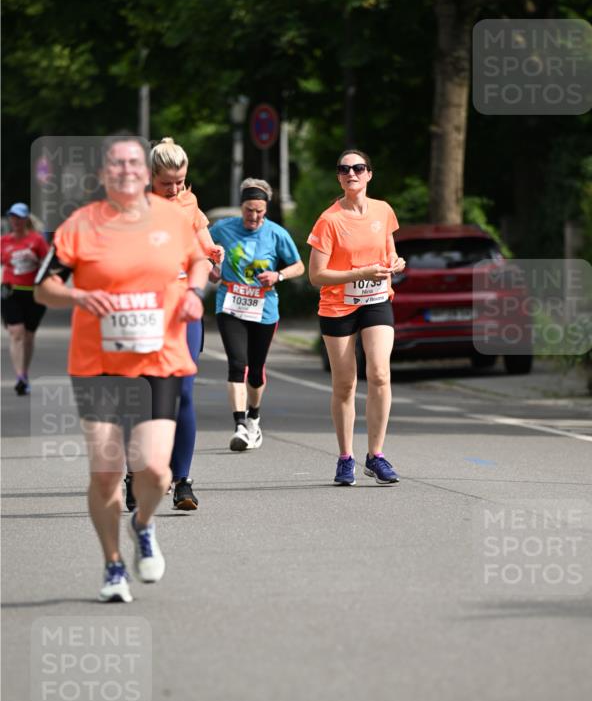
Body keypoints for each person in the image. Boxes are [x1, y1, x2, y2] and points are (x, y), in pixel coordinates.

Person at [35, 135, 209, 603]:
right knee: (107, 474)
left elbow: (199, 260)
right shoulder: (80, 226)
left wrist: (194, 292)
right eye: (118, 166)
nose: (127, 173)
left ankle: (143, 525)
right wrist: (75, 295)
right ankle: (113, 566)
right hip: (99, 363)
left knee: (154, 471)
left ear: (143, 172)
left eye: (134, 165)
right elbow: (43, 287)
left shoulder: (174, 218)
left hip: (160, 357)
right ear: (104, 176)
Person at [123, 137, 224, 513]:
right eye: (167, 182)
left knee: (182, 392)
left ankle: (183, 481)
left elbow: (206, 248)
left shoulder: (188, 202)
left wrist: (215, 261)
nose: (175, 188)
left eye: (180, 181)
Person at [307, 149, 406, 486]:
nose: (352, 173)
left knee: (379, 373)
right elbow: (316, 276)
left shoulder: (383, 210)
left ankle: (375, 455)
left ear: (369, 174)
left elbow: (390, 252)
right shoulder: (329, 220)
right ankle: (345, 457)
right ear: (339, 177)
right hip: (338, 306)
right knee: (345, 383)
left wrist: (396, 263)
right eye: (344, 169)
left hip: (377, 300)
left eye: (358, 168)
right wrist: (359, 272)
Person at [208, 178, 304, 451]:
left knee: (256, 369)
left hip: (264, 309)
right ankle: (239, 425)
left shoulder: (276, 233)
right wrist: (210, 267)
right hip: (230, 305)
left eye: (260, 211)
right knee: (237, 364)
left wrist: (279, 275)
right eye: (249, 210)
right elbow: (201, 250)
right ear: (241, 207)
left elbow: (299, 266)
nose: (254, 216)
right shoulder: (223, 229)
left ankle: (253, 417)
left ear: (266, 210)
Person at [1, 202, 49, 395]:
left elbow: (48, 265)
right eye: (12, 217)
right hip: (10, 292)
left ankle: (25, 373)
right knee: (16, 332)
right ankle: (20, 376)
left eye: (19, 217)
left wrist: (35, 260)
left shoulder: (37, 241)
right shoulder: (4, 241)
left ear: (26, 219)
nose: (16, 221)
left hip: (33, 293)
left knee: (28, 337)